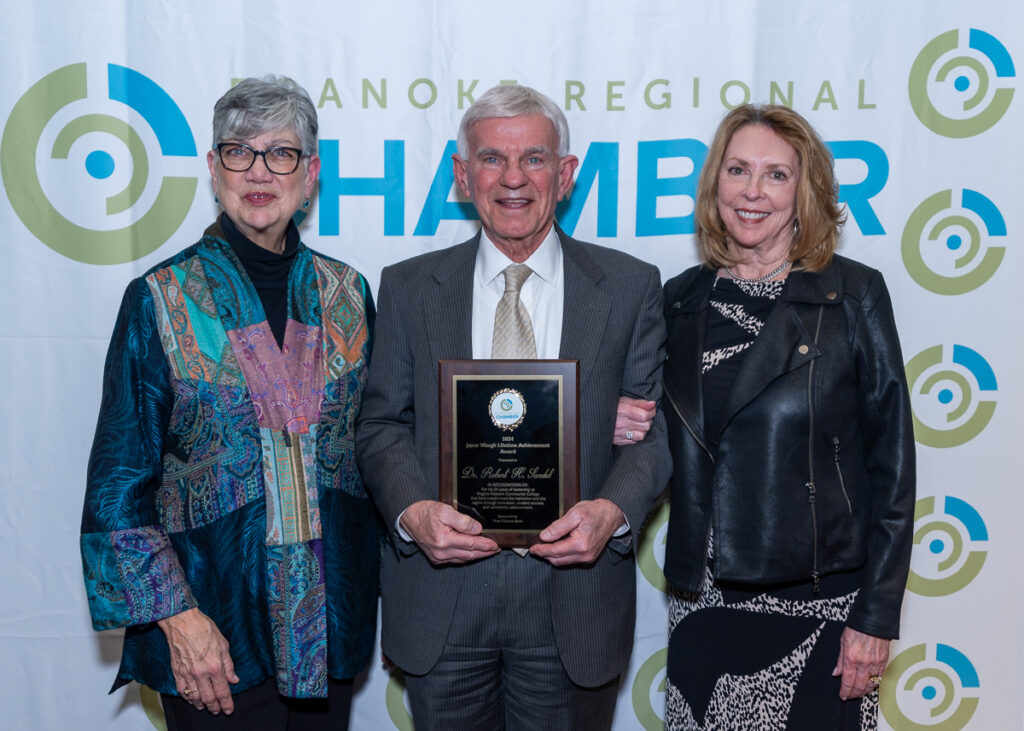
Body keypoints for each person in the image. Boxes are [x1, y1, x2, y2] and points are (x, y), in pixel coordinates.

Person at [355, 84, 672, 730]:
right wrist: (414, 512)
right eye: (492, 159)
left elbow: (654, 433)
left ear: (566, 173)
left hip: (572, 603)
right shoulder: (408, 288)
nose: (513, 179)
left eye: (533, 158)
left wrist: (610, 511)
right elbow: (381, 423)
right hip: (444, 598)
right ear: (461, 174)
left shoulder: (630, 286)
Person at [80, 76, 378, 730]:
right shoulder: (158, 298)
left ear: (311, 172)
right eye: (239, 151)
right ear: (214, 170)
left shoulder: (348, 295)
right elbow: (118, 485)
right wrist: (180, 622)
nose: (260, 170)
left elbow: (382, 445)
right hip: (214, 645)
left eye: (282, 152)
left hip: (327, 636)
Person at [655, 104, 915, 730]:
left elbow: (893, 465)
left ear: (805, 191)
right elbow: (659, 443)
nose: (752, 191)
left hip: (821, 603)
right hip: (703, 601)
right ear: (716, 183)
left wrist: (875, 617)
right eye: (738, 169)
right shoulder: (679, 300)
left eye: (776, 175)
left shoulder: (852, 294)